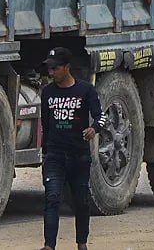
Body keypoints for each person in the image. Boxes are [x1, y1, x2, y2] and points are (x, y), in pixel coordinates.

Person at [40, 46, 104, 250]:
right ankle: (49, 246)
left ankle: (81, 243)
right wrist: (46, 153)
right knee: (52, 198)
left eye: (55, 69)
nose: (51, 73)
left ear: (66, 68)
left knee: (81, 201)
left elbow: (101, 116)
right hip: (55, 155)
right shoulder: (48, 93)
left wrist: (93, 129)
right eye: (49, 69)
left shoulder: (85, 90)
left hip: (79, 156)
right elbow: (46, 124)